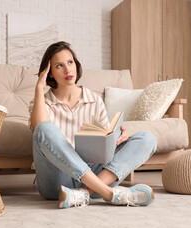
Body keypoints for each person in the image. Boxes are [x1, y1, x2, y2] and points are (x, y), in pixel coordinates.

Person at [30, 41, 157, 208]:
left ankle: (84, 194)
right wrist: (39, 88)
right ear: (50, 73)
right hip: (57, 181)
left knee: (147, 138)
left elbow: (104, 145)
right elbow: (39, 130)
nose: (68, 70)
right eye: (59, 65)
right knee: (44, 128)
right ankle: (109, 194)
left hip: (96, 175)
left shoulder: (95, 100)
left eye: (70, 62)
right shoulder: (41, 102)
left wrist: (118, 138)